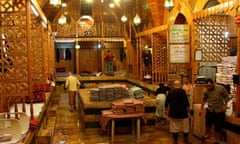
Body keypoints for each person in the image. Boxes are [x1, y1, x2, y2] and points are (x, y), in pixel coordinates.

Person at [199, 78, 229, 144]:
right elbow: (203, 100)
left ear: (213, 84)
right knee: (207, 124)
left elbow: (226, 97)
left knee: (217, 126)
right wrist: (201, 109)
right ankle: (208, 134)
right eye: (207, 86)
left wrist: (225, 106)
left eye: (209, 86)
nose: (208, 87)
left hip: (219, 111)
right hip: (210, 109)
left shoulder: (220, 88)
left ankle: (217, 140)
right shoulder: (205, 90)